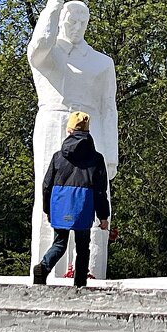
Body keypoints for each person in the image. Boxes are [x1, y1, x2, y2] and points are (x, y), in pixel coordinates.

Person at [27, 0, 118, 279]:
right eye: (71, 20)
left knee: (94, 193)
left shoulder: (102, 63)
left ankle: (89, 271)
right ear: (61, 20)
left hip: (91, 130)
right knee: (51, 193)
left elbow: (109, 107)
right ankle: (48, 268)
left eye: (83, 22)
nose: (77, 27)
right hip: (53, 122)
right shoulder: (49, 55)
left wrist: (111, 154)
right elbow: (39, 44)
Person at [33, 112, 110, 287]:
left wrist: (48, 209)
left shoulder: (58, 157)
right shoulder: (97, 159)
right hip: (84, 205)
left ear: (69, 131)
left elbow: (46, 185)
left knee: (59, 243)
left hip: (61, 204)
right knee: (83, 248)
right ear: (87, 131)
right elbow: (100, 191)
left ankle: (43, 267)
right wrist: (103, 216)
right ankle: (80, 284)